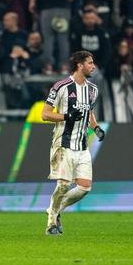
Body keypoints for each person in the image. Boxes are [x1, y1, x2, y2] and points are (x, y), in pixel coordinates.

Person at [41, 50, 105, 236]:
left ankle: (54, 209)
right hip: (63, 144)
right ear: (79, 65)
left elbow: (89, 112)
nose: (93, 66)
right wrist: (66, 116)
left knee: (85, 187)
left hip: (82, 146)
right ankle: (51, 223)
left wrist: (96, 127)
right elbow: (45, 114)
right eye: (90, 63)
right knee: (63, 185)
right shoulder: (61, 87)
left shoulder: (93, 90)